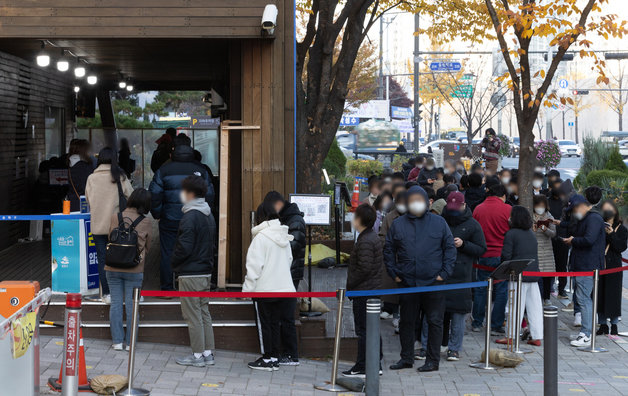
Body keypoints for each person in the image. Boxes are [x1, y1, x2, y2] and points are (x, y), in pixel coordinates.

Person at [385, 186, 456, 372]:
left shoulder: (439, 222)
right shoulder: (398, 224)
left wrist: (444, 273)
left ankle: (432, 361)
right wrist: (395, 273)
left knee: (434, 321)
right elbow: (389, 250)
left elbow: (450, 248)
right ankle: (406, 358)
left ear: (427, 201)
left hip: (434, 282)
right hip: (408, 282)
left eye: (420, 199)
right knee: (407, 322)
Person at [149, 134, 215, 291]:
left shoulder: (163, 170)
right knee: (196, 249)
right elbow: (210, 194)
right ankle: (191, 287)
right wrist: (206, 213)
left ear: (172, 152)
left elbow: (155, 194)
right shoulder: (201, 170)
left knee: (167, 252)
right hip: (195, 217)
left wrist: (157, 214)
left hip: (169, 218)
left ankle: (167, 288)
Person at [243, 200, 296, 371]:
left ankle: (267, 358)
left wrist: (247, 290)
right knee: (275, 323)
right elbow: (289, 260)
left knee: (265, 324)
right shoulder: (284, 236)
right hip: (285, 289)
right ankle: (274, 356)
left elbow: (254, 268)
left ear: (259, 217)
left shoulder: (260, 238)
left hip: (265, 290)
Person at [172, 176, 217, 367]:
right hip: (205, 270)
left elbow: (184, 247)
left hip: (190, 272)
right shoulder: (208, 214)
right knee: (203, 312)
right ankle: (208, 353)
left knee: (193, 315)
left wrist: (173, 261)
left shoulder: (190, 216)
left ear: (189, 193)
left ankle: (197, 355)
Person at [442, 192, 487, 361]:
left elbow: (481, 248)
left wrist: (464, 244)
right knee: (439, 313)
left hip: (462, 276)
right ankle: (439, 343)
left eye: (456, 208)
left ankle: (454, 348)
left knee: (459, 315)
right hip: (442, 275)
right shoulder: (441, 220)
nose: (453, 211)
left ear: (463, 205)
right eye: (450, 208)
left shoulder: (473, 225)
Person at [105, 188, 152, 351]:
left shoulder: (115, 217)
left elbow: (110, 237)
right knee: (132, 306)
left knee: (116, 304)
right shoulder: (145, 221)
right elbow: (149, 246)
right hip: (134, 268)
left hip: (112, 266)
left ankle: (117, 342)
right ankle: (130, 343)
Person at [85, 147, 134, 303]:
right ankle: (125, 293)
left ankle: (107, 294)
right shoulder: (120, 176)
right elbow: (131, 196)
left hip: (98, 226)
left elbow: (88, 200)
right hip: (118, 226)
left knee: (102, 259)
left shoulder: (91, 178)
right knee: (122, 258)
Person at [263, 191, 305, 365]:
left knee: (286, 316)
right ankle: (286, 352)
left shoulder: (294, 221)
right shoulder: (289, 219)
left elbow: (292, 247)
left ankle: (291, 354)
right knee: (282, 315)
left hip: (290, 274)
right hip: (285, 273)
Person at [342, 204, 383, 378]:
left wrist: (351, 283)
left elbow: (364, 268)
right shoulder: (369, 236)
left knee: (364, 330)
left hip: (364, 291)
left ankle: (363, 365)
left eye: (354, 216)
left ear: (360, 220)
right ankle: (375, 362)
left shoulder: (366, 240)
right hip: (369, 289)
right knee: (371, 328)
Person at [563, 194, 606, 347]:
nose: (574, 212)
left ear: (581, 205)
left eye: (574, 208)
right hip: (581, 264)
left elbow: (589, 239)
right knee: (582, 298)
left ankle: (586, 334)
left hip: (587, 265)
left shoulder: (593, 218)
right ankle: (584, 331)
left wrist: (573, 240)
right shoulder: (587, 218)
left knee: (583, 299)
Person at [499, 205, 544, 346]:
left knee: (514, 307)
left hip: (517, 275)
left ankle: (511, 336)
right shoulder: (531, 233)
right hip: (533, 275)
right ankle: (536, 336)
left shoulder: (511, 234)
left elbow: (506, 256)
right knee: (534, 307)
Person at [471, 184, 511, 334]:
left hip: (483, 255)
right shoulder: (507, 209)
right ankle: (496, 324)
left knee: (481, 288)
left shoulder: (478, 209)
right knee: (501, 290)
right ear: (502, 195)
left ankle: (477, 322)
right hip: (501, 255)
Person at [596, 200, 627, 336]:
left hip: (614, 266)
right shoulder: (598, 226)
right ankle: (603, 324)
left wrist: (611, 234)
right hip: (601, 264)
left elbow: (621, 247)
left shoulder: (622, 229)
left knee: (613, 295)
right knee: (600, 294)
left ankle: (614, 324)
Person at [378, 191, 407, 330]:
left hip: (408, 259)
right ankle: (395, 315)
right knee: (393, 291)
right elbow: (382, 236)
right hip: (393, 258)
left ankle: (402, 318)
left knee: (406, 294)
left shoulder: (413, 216)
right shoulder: (390, 217)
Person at [547, 179, 569, 299]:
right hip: (549, 236)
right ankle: (549, 287)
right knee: (549, 264)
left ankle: (562, 288)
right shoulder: (547, 200)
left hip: (563, 237)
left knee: (562, 265)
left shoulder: (566, 202)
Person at [532, 195, 556, 303]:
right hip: (534, 249)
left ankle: (546, 297)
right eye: (538, 205)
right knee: (536, 276)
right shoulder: (530, 216)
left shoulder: (549, 216)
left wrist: (545, 229)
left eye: (542, 205)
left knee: (547, 276)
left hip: (546, 250)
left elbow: (553, 234)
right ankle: (536, 298)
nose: (540, 208)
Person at [67, 139, 94, 212]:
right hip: (84, 205)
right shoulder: (84, 166)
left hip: (73, 204)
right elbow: (88, 187)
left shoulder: (70, 164)